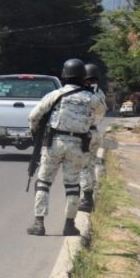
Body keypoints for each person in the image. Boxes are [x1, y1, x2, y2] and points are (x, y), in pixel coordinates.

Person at [26, 58, 106, 236]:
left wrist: (35, 134)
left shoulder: (56, 95)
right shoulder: (92, 98)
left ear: (64, 75)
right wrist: (84, 124)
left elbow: (33, 117)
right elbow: (100, 115)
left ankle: (39, 224)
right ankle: (69, 225)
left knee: (44, 182)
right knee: (72, 185)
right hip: (78, 145)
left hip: (54, 143)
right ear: (82, 77)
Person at [78, 63, 107, 212]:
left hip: (85, 133)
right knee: (91, 165)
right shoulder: (100, 93)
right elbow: (101, 114)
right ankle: (89, 196)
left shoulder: (86, 94)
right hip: (95, 132)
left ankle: (86, 198)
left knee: (83, 166)